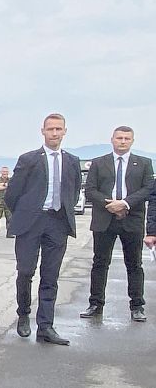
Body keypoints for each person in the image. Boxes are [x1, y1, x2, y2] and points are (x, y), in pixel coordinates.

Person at [4, 113, 81, 346]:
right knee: (26, 271)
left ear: (65, 131)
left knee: (51, 276)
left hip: (57, 223)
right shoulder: (29, 159)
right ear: (43, 131)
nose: (55, 133)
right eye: (51, 129)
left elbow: (75, 190)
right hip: (31, 223)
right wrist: (26, 212)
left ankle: (46, 326)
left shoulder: (72, 161)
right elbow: (12, 194)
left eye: (59, 129)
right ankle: (23, 314)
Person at [79, 126, 154, 322]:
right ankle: (95, 303)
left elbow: (147, 189)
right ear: (112, 139)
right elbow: (90, 190)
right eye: (119, 138)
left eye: (127, 138)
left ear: (132, 141)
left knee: (135, 264)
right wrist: (110, 205)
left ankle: (137, 305)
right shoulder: (98, 163)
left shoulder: (144, 163)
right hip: (105, 219)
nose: (122, 141)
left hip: (132, 219)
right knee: (100, 263)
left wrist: (125, 203)